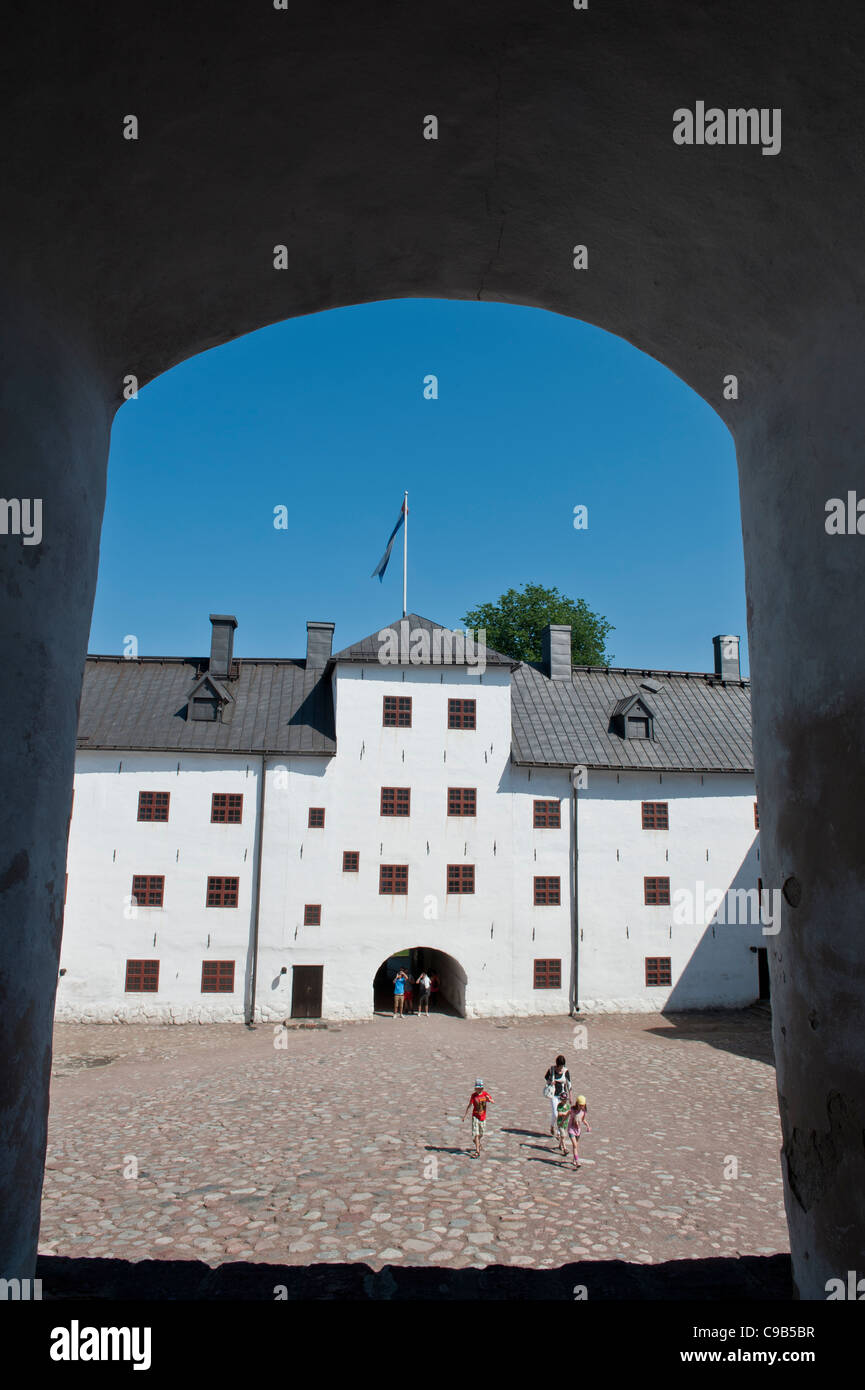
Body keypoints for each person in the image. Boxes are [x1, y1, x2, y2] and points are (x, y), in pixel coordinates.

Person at [463, 1077, 494, 1158]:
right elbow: (469, 1105)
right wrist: (465, 1115)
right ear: (475, 1088)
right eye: (477, 1088)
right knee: (476, 1134)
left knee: (481, 1133)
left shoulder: (485, 1094)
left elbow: (492, 1101)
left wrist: (489, 1100)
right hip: (475, 1116)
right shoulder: (473, 1096)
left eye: (480, 1088)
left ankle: (477, 1142)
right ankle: (477, 1151)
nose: (479, 1090)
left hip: (483, 1117)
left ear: (482, 1088)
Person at [544, 1054, 572, 1135]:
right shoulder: (551, 1070)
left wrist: (570, 1097)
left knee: (563, 1114)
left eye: (562, 1066)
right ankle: (552, 1126)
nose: (561, 1068)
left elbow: (569, 1084)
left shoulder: (566, 1071)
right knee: (556, 1114)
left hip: (563, 1096)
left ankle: (560, 1132)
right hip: (553, 1095)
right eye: (560, 1066)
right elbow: (546, 1079)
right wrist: (550, 1082)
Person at [567, 1095, 591, 1169]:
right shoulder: (572, 1110)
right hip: (571, 1129)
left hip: (578, 1130)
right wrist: (562, 1122)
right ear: (577, 1103)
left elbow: (583, 1119)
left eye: (583, 1105)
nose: (581, 1107)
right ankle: (577, 1161)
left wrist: (588, 1126)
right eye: (580, 1105)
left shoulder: (583, 1112)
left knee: (576, 1146)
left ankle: (574, 1159)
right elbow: (567, 1115)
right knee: (575, 1145)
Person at [555, 1092, 571, 1156]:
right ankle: (565, 1148)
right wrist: (566, 1113)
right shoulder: (559, 1105)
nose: (564, 1101)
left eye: (565, 1100)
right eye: (563, 1100)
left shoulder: (568, 1106)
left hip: (565, 1123)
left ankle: (560, 1145)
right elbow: (559, 1114)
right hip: (560, 1123)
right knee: (563, 1135)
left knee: (563, 1136)